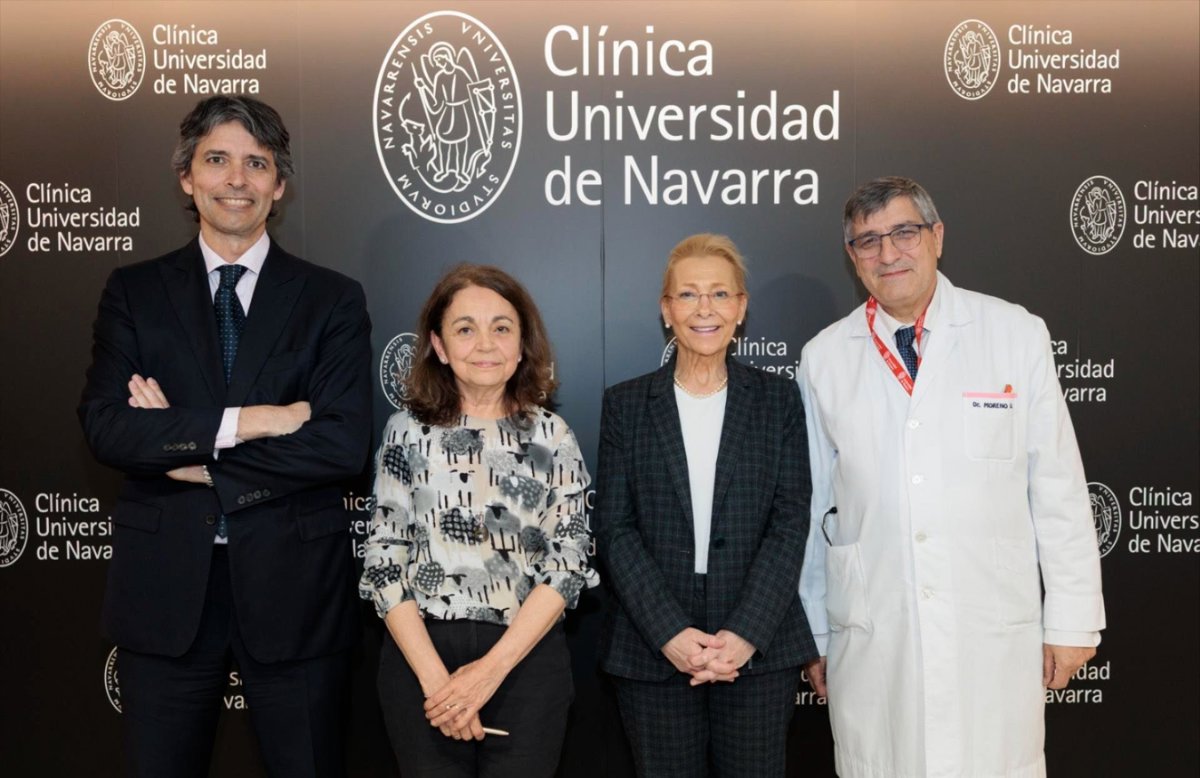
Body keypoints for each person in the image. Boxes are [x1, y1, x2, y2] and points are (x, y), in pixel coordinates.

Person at [78, 95, 372, 778]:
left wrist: (195, 456)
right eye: (217, 160)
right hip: (165, 594)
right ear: (187, 177)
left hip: (295, 594)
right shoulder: (133, 292)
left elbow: (340, 444)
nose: (237, 179)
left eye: (256, 163)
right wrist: (256, 420)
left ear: (279, 184)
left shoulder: (331, 299)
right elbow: (108, 427)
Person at [798, 176, 1106, 777]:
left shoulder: (1015, 334)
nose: (888, 253)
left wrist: (1072, 618)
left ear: (937, 237)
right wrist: (816, 634)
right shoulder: (825, 358)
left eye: (904, 233)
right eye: (868, 241)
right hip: (876, 631)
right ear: (853, 257)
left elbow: (1058, 487)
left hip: (989, 629)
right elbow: (814, 509)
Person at [359, 264, 596, 777]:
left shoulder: (553, 436)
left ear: (522, 344)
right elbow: (383, 561)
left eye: (501, 327)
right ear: (439, 346)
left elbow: (567, 564)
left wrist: (488, 673)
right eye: (465, 328)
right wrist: (439, 685)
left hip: (524, 662)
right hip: (420, 661)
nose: (485, 344)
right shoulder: (405, 432)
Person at [596, 234, 816, 777]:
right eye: (688, 294)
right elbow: (615, 527)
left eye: (719, 294)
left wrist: (746, 633)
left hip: (758, 645)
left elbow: (790, 521)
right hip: (654, 646)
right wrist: (668, 632)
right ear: (666, 309)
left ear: (741, 308)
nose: (704, 308)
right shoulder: (626, 404)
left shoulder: (779, 400)